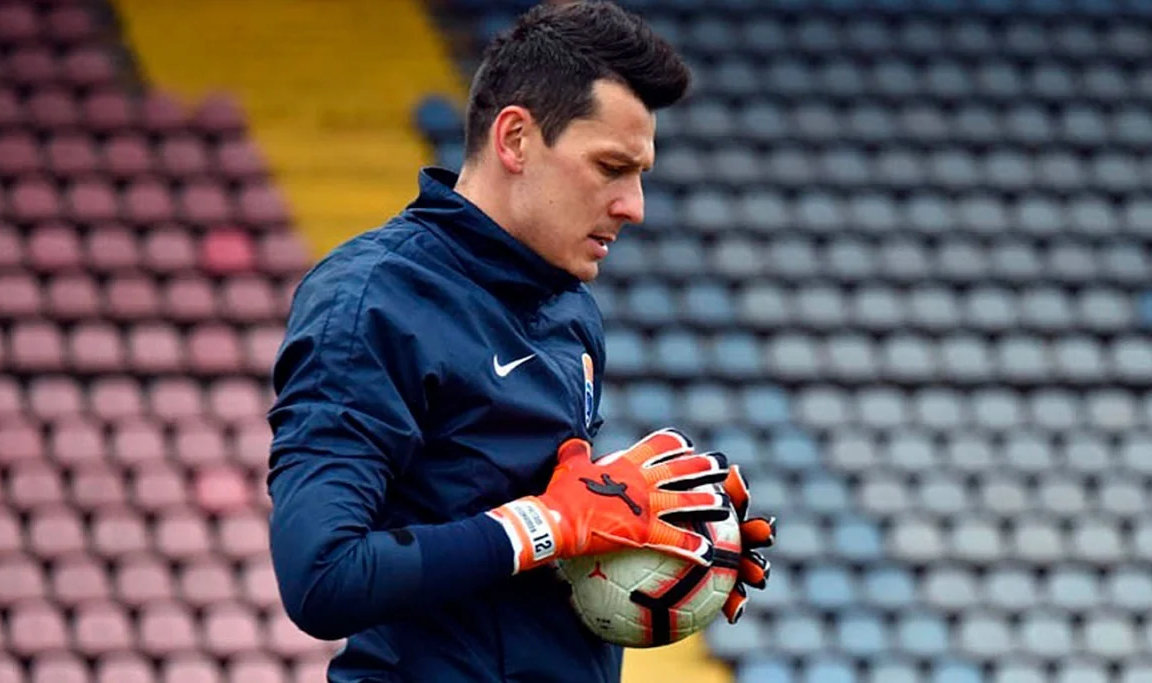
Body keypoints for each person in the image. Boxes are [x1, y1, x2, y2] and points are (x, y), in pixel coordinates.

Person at [266, 2, 774, 682]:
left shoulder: (570, 307)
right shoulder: (372, 302)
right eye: (611, 167)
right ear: (515, 139)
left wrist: (676, 548)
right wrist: (548, 524)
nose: (634, 206)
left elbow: (538, 541)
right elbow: (324, 577)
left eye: (641, 174)